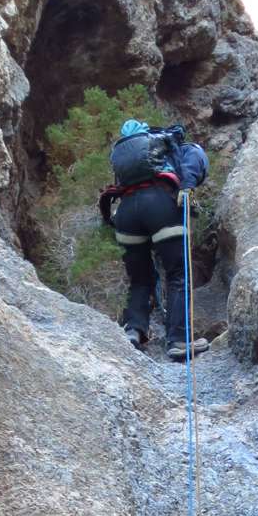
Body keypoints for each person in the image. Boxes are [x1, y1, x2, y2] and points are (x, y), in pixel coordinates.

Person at [98, 119, 211, 361]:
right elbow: (194, 161)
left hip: (126, 213)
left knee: (140, 279)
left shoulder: (129, 158)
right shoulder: (178, 147)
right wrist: (188, 186)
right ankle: (179, 340)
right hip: (160, 205)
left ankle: (134, 330)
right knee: (178, 273)